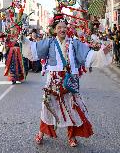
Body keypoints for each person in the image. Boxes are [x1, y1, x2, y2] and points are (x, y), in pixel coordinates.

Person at [22, 14, 112, 147]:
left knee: (72, 108)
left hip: (70, 80)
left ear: (67, 29)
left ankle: (72, 137)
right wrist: (23, 40)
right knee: (47, 107)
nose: (62, 30)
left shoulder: (74, 43)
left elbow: (87, 55)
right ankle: (41, 133)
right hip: (53, 80)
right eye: (59, 27)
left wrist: (101, 53)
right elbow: (34, 49)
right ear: (54, 30)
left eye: (64, 27)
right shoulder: (49, 42)